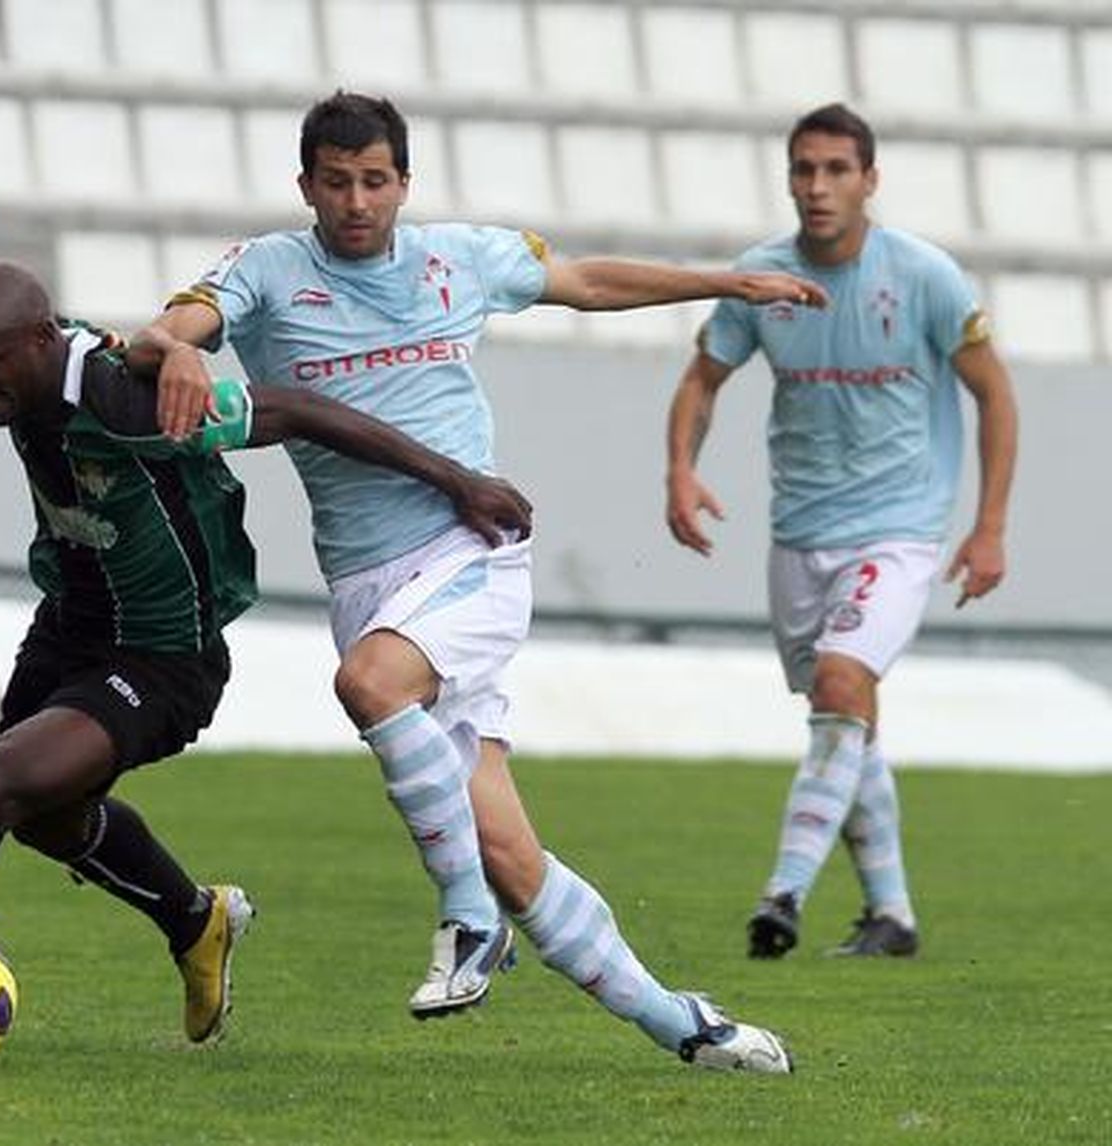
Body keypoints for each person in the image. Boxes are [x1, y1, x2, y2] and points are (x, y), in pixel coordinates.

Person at [131, 91, 825, 1072]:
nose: (357, 202)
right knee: (509, 855)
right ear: (307, 186)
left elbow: (584, 280)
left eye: (376, 181)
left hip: (474, 548)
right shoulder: (267, 269)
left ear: (403, 183)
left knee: (369, 687)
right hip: (366, 584)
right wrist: (175, 355)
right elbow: (161, 330)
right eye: (337, 183)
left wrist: (731, 283)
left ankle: (464, 921)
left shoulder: (461, 256)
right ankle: (688, 1026)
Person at [0, 260, 534, 1048]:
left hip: (164, 657)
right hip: (68, 627)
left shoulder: (127, 397)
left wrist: (456, 482)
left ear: (39, 341)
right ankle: (193, 919)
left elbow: (300, 411)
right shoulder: (7, 346)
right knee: (45, 817)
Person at [663, 103, 1019, 959]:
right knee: (847, 716)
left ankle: (782, 896)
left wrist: (989, 528)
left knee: (838, 686)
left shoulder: (924, 276)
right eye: (803, 170)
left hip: (899, 529)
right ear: (789, 177)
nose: (818, 187)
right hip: (799, 533)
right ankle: (892, 916)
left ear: (870, 179)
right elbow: (702, 379)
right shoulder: (763, 278)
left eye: (836, 170)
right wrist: (680, 468)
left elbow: (994, 394)